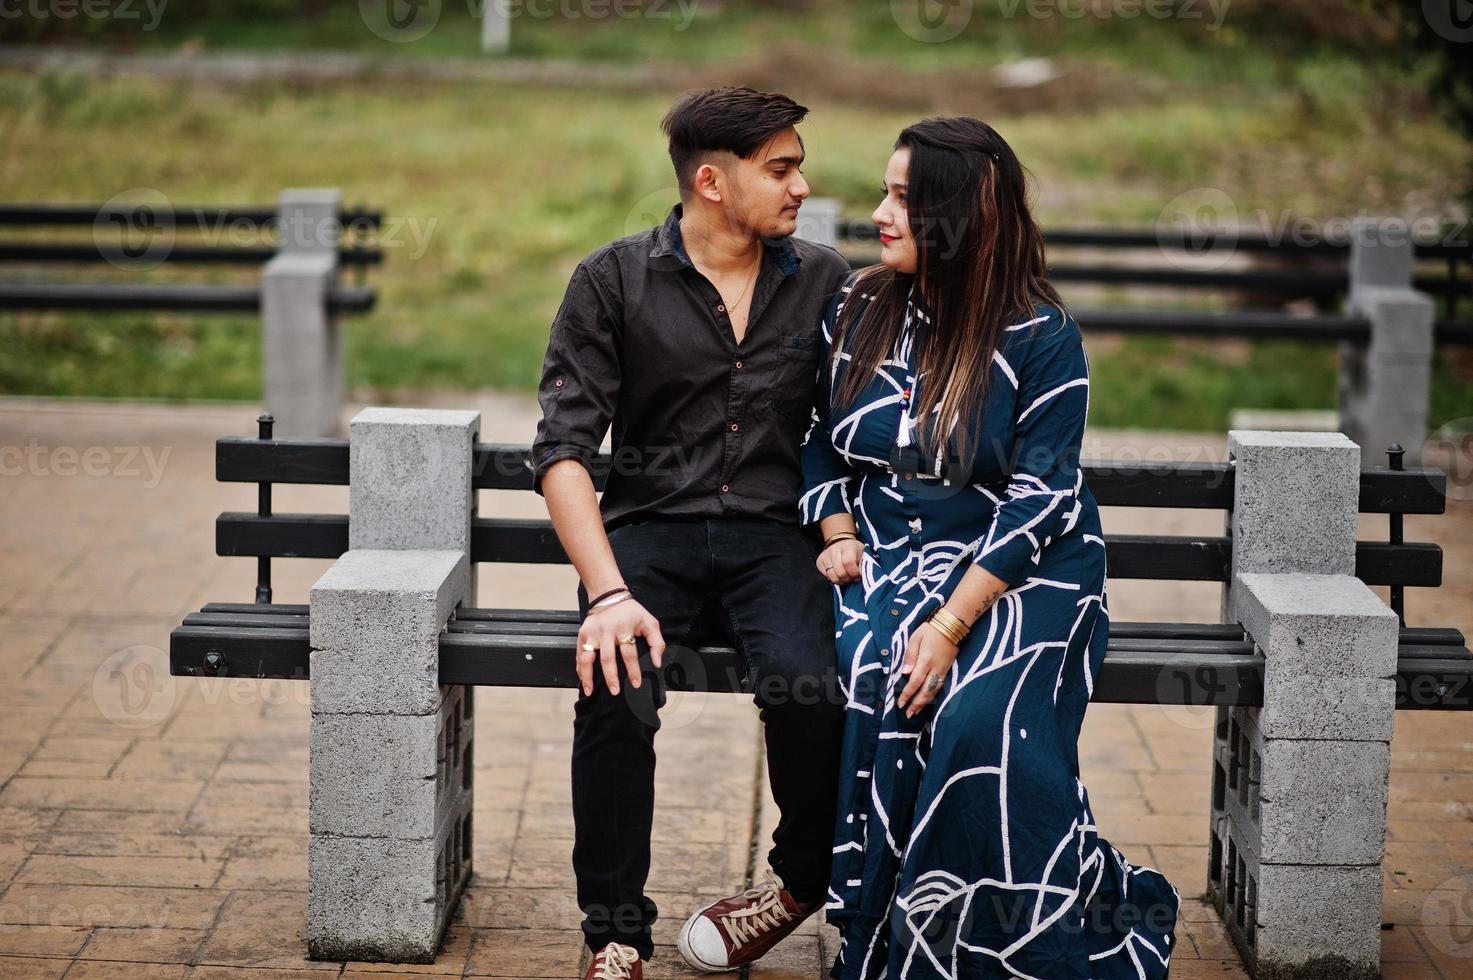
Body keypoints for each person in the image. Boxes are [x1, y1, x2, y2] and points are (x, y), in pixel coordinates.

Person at [799, 117, 1181, 979]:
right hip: (891, 556)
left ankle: (1001, 932)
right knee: (875, 680)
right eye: (883, 193)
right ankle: (883, 934)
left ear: (958, 213)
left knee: (976, 720)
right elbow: (817, 435)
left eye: (902, 197)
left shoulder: (1040, 336)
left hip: (1023, 571)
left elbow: (1041, 496)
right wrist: (836, 530)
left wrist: (951, 623)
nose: (879, 214)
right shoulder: (856, 309)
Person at [530, 86, 854, 980]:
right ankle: (615, 936)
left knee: (811, 687)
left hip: (775, 541)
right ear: (711, 181)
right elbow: (562, 450)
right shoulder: (613, 280)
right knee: (613, 688)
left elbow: (854, 430)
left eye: (796, 166)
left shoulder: (826, 282)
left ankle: (797, 884)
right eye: (779, 169)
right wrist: (606, 594)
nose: (800, 185)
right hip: (650, 537)